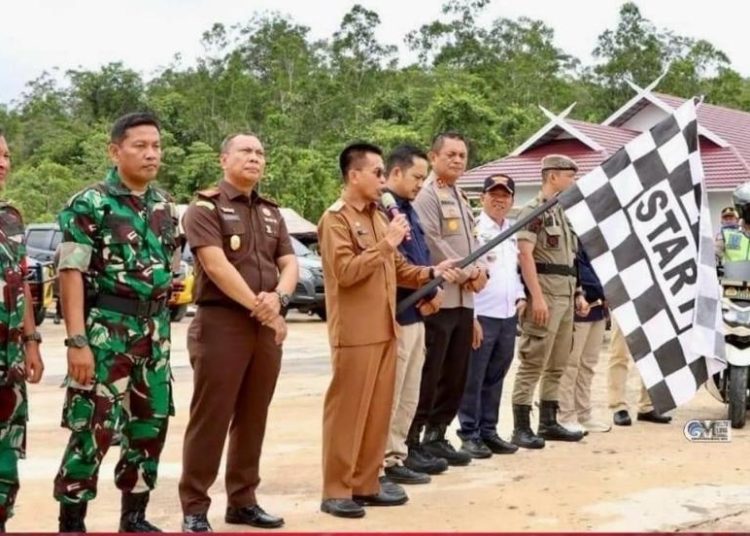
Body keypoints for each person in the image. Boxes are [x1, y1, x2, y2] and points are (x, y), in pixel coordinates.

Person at [318, 142, 459, 519]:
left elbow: (398, 269)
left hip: (386, 328)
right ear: (354, 175)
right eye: (377, 172)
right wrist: (386, 244)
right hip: (354, 332)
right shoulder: (335, 219)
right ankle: (336, 489)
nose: (383, 179)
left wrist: (432, 273)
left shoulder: (379, 217)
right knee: (348, 413)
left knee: (378, 413)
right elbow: (346, 273)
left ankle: (366, 483)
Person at [53, 112, 180, 532]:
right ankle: (72, 521)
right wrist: (77, 342)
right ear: (115, 150)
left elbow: (171, 267)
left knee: (150, 427)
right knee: (93, 429)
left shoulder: (164, 205)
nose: (150, 154)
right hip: (106, 331)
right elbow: (70, 272)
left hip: (154, 334)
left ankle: (135, 518)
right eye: (140, 145)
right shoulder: (89, 202)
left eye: (156, 146)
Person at [179, 132, 295, 532]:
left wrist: (279, 299)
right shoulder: (204, 207)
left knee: (253, 416)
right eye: (245, 151)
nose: (255, 158)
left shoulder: (271, 211)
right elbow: (215, 266)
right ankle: (194, 506)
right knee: (211, 417)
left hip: (264, 326)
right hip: (222, 323)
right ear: (223, 158)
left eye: (261, 152)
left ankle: (242, 500)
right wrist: (262, 307)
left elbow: (289, 263)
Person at [409, 132, 488, 468]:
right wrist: (471, 270)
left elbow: (474, 241)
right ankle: (412, 440)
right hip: (441, 297)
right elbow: (432, 240)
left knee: (456, 372)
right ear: (434, 156)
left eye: (462, 155)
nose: (458, 160)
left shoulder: (460, 194)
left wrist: (482, 270)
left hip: (465, 301)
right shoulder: (427, 194)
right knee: (431, 372)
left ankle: (438, 435)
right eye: (451, 154)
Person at [380, 145, 448, 486]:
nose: (421, 184)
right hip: (400, 311)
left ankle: (397, 454)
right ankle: (381, 462)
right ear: (395, 173)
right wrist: (426, 284)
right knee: (391, 395)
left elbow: (419, 255)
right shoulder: (382, 210)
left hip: (420, 309)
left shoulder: (408, 210)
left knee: (410, 393)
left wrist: (433, 288)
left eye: (423, 178)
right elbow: (396, 264)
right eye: (416, 177)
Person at [510, 154, 587, 449]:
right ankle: (521, 427)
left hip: (566, 294)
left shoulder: (563, 214)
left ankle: (549, 421)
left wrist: (578, 292)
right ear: (553, 176)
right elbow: (525, 255)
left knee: (558, 361)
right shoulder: (534, 211)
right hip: (545, 295)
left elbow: (570, 260)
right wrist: (536, 297)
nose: (574, 181)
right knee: (533, 360)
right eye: (570, 175)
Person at [457, 175, 523, 458]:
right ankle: (469, 433)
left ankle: (489, 430)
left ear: (512, 200)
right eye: (493, 194)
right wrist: (470, 316)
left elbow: (512, 271)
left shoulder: (512, 230)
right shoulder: (473, 230)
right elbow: (468, 273)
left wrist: (521, 295)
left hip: (507, 315)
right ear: (482, 197)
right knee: (474, 377)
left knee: (496, 376)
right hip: (482, 315)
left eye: (505, 195)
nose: (499, 200)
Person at [0, 130, 45, 532]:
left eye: (7, 155)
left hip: (9, 361)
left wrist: (31, 341)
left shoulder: (10, 219)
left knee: (5, 459)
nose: (2, 163)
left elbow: (21, 285)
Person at [557, 243, 611, 434]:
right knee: (570, 364)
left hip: (598, 309)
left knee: (588, 364)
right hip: (579, 308)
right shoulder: (572, 241)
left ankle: (584, 413)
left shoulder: (597, 240)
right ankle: (564, 414)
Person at [608, 320, 672, 426]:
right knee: (619, 353)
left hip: (651, 305)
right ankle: (618, 406)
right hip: (622, 306)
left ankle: (647, 406)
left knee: (652, 354)